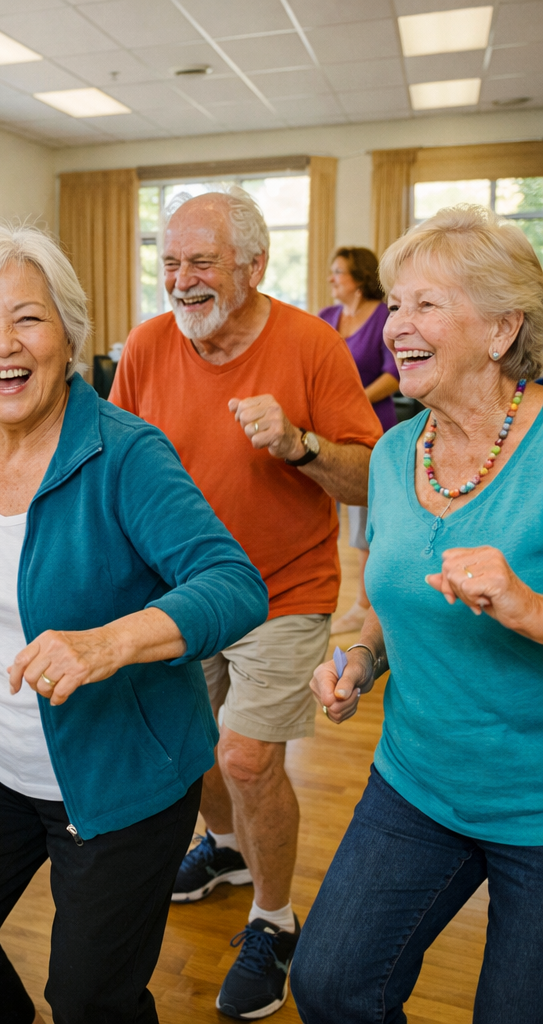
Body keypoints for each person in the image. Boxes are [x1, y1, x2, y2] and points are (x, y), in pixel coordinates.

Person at [0, 224, 268, 1023]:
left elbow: (234, 585)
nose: (4, 344)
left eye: (28, 318)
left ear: (68, 337)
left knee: (92, 1001)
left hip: (120, 782)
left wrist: (109, 642)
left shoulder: (127, 454)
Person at [109, 187, 383, 1019]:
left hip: (283, 590)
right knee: (192, 748)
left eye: (202, 263)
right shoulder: (150, 346)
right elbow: (113, 463)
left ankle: (274, 920)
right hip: (180, 592)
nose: (182, 281)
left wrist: (300, 447)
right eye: (170, 264)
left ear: (255, 266)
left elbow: (372, 477)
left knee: (247, 757)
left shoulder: (311, 343)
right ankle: (226, 849)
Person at [294, 205, 543, 1023]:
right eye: (395, 305)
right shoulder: (397, 452)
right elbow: (383, 607)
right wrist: (360, 661)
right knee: (330, 987)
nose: (396, 326)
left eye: (425, 305)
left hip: (536, 808)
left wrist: (523, 605)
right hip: (416, 782)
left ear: (503, 328)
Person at [319, 247, 399, 635]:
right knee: (336, 521)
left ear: (359, 277)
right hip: (329, 431)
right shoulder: (326, 318)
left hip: (372, 427)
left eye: (338, 272)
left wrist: (352, 401)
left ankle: (365, 607)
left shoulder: (383, 315)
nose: (332, 278)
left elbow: (393, 375)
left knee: (367, 524)